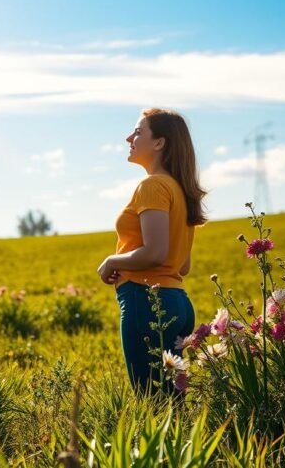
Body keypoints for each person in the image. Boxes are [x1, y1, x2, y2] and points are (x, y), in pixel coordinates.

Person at [97, 108, 207, 394]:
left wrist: (111, 261)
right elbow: (181, 265)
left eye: (138, 131)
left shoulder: (153, 186)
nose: (128, 137)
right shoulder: (178, 189)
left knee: (152, 404)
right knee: (172, 404)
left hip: (146, 302)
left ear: (159, 143)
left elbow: (156, 253)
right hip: (179, 304)